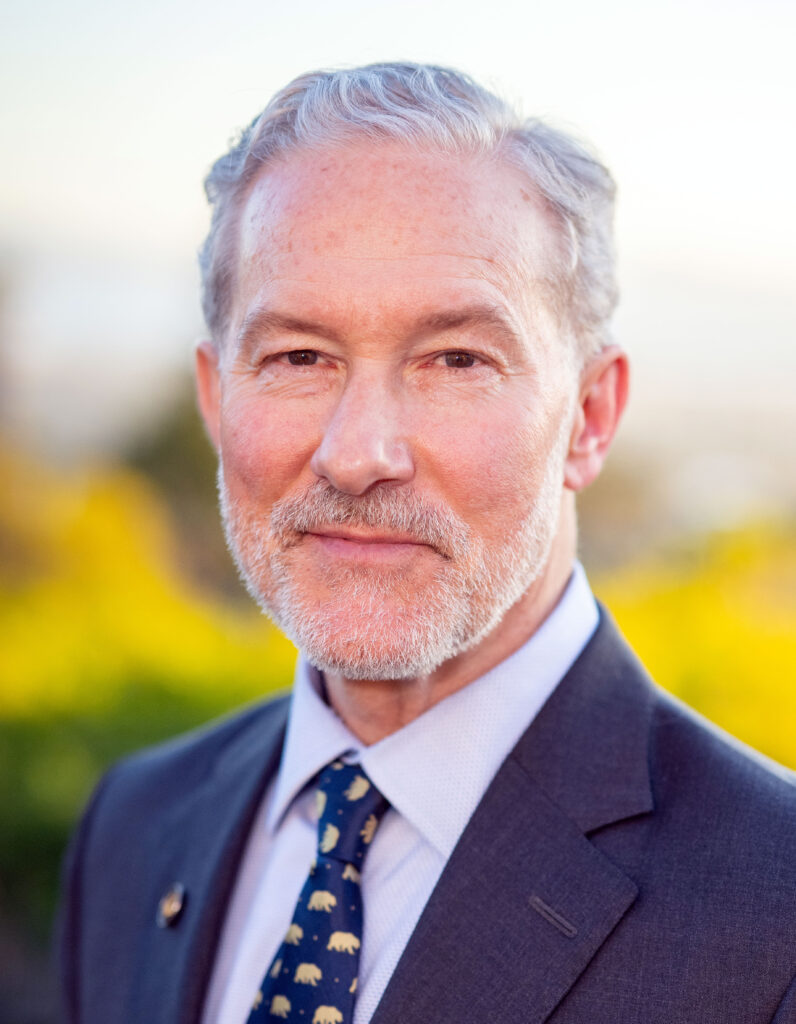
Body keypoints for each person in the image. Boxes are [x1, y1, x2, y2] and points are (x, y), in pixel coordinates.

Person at [58, 63, 796, 1024]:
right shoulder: (134, 825)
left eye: (456, 359)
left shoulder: (774, 917)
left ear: (589, 415)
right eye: (296, 357)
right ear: (215, 397)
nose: (358, 454)